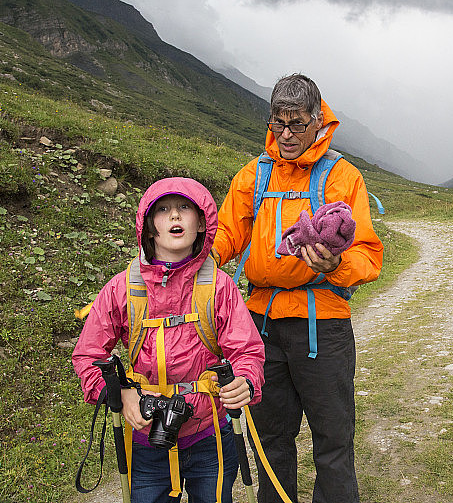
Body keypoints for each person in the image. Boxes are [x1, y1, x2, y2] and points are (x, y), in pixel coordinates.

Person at [212, 73, 383, 503]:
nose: (285, 134)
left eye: (297, 124)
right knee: (270, 439)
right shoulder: (253, 176)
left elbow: (368, 254)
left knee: (333, 440)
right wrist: (198, 262)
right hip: (260, 327)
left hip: (322, 325)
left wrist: (337, 264)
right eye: (278, 123)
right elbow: (226, 234)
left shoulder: (342, 176)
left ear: (318, 121)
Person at [72, 177, 265, 503]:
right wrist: (120, 394)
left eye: (184, 208)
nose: (174, 215)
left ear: (201, 222)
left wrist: (245, 380)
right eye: (162, 210)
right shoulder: (122, 289)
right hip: (146, 440)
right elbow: (87, 356)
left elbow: (247, 350)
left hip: (210, 436)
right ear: (148, 227)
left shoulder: (219, 287)